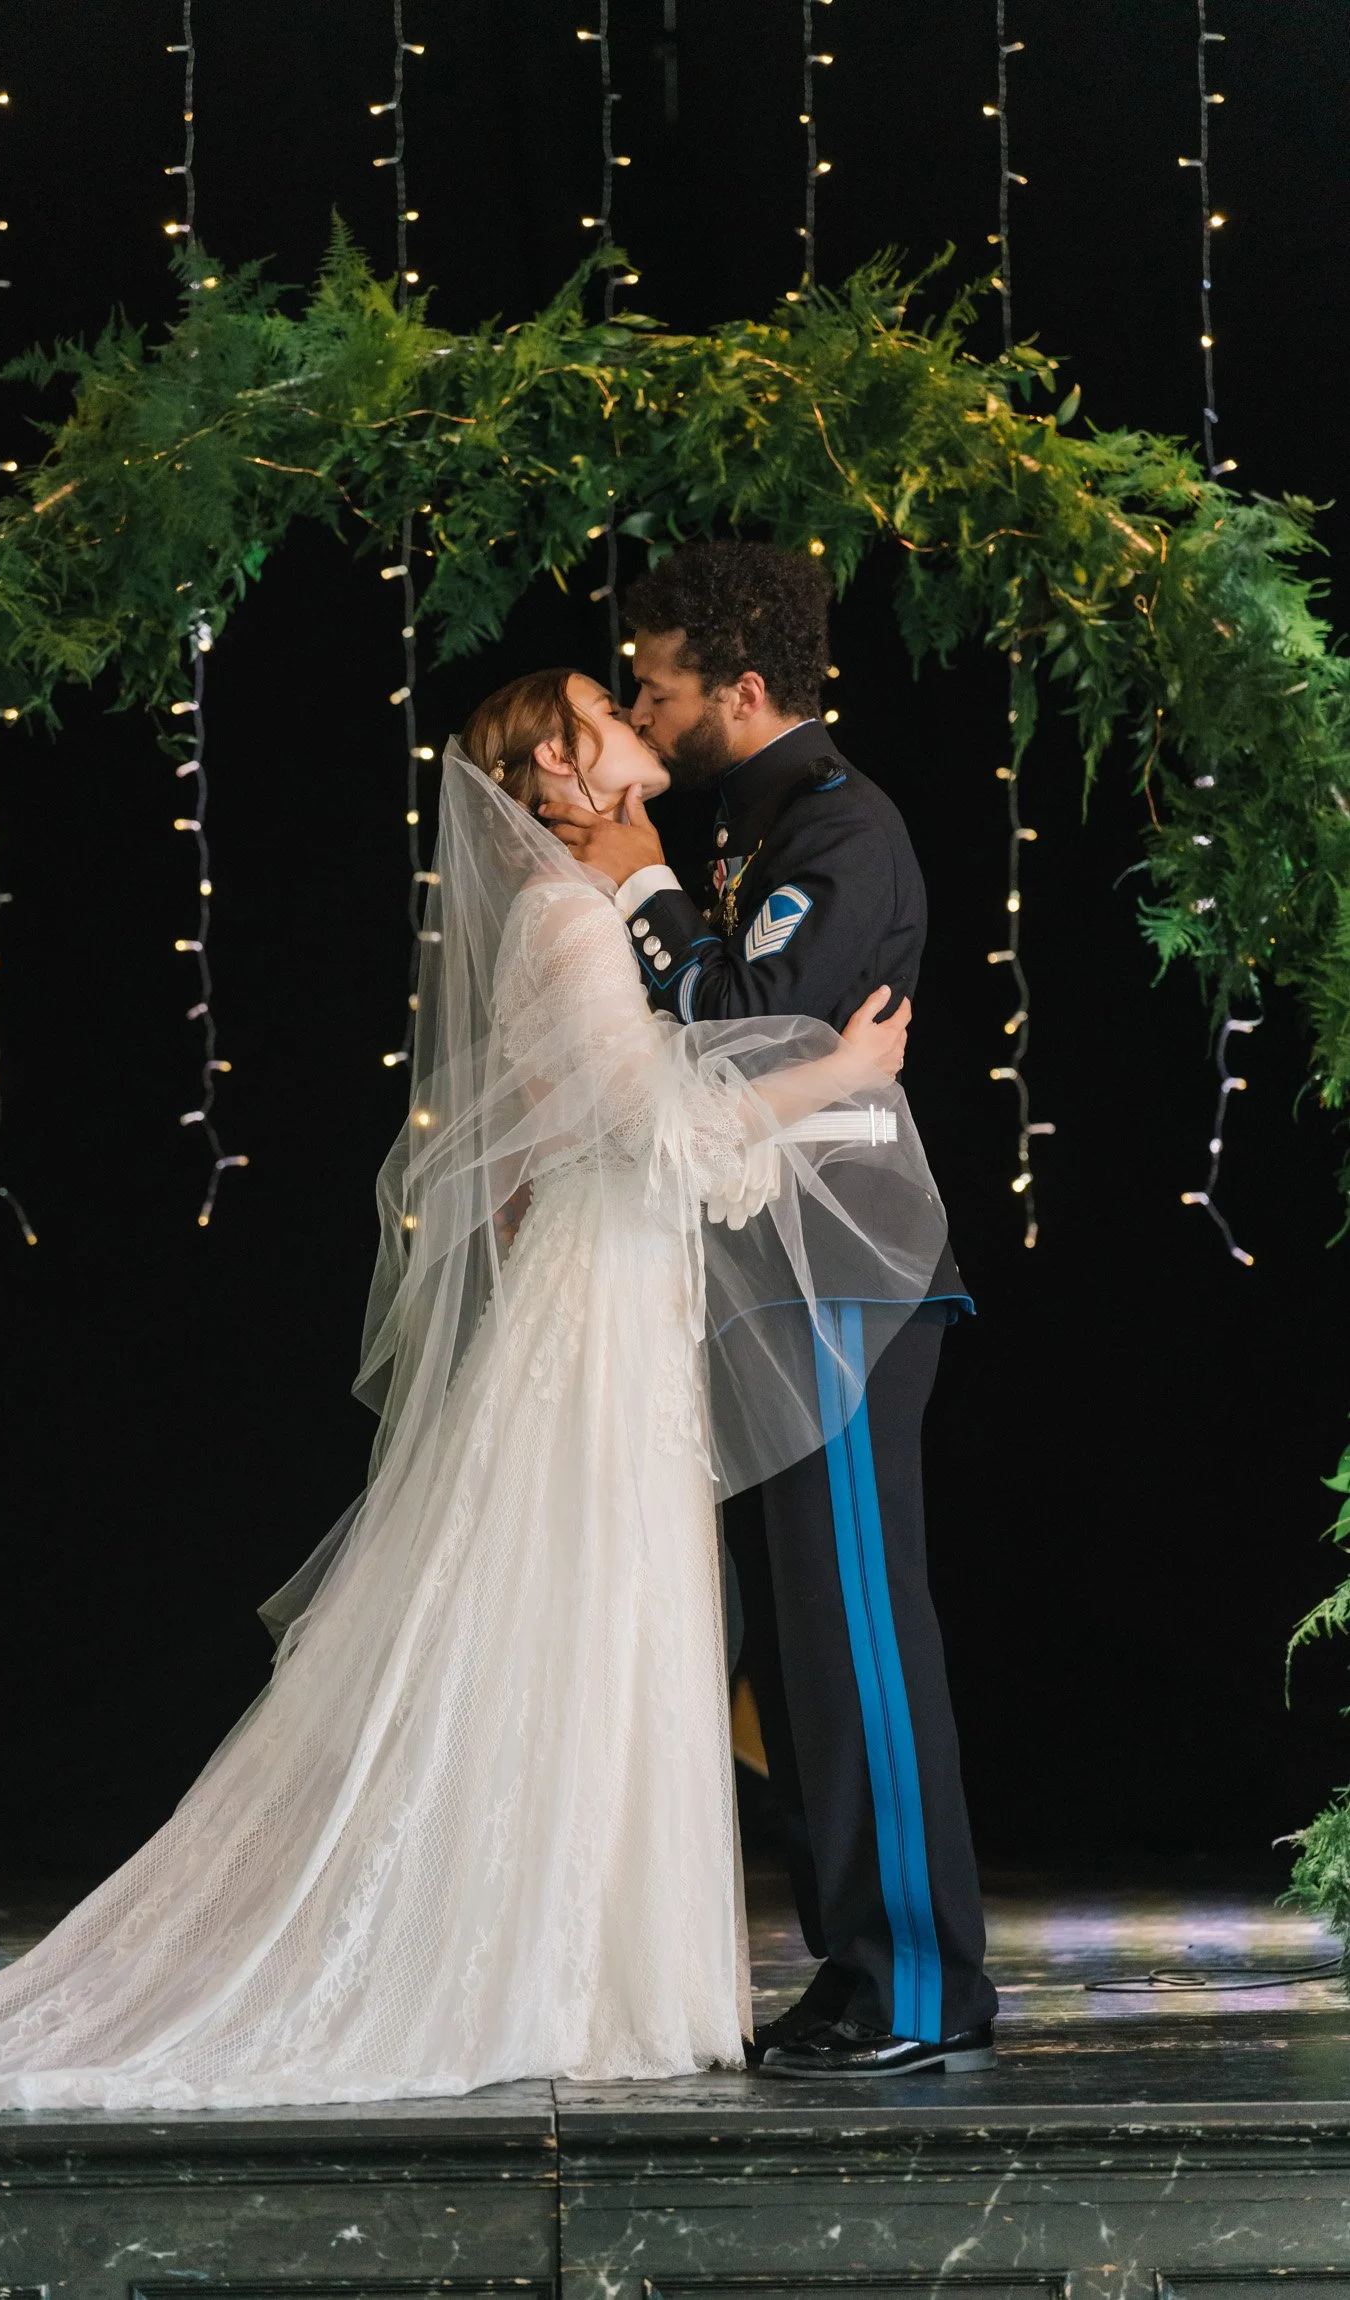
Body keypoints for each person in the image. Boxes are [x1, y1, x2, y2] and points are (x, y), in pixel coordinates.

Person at [0, 667, 946, 2120]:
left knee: (616, 1611)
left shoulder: (584, 909)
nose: (634, 718)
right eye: (610, 710)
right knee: (577, 1605)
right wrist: (837, 1072)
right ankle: (545, 1968)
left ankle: (604, 1966)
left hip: (620, 1294)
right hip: (599, 1311)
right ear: (561, 765)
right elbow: (654, 1130)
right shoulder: (565, 919)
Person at [540, 540, 999, 2079]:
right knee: (797, 1644)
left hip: (842, 1271)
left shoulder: (838, 825)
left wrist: (640, 887)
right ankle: (853, 1966)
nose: (642, 716)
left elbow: (746, 1018)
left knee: (852, 1624)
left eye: (658, 689)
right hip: (765, 1265)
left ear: (741, 689)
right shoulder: (752, 818)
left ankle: (917, 1985)